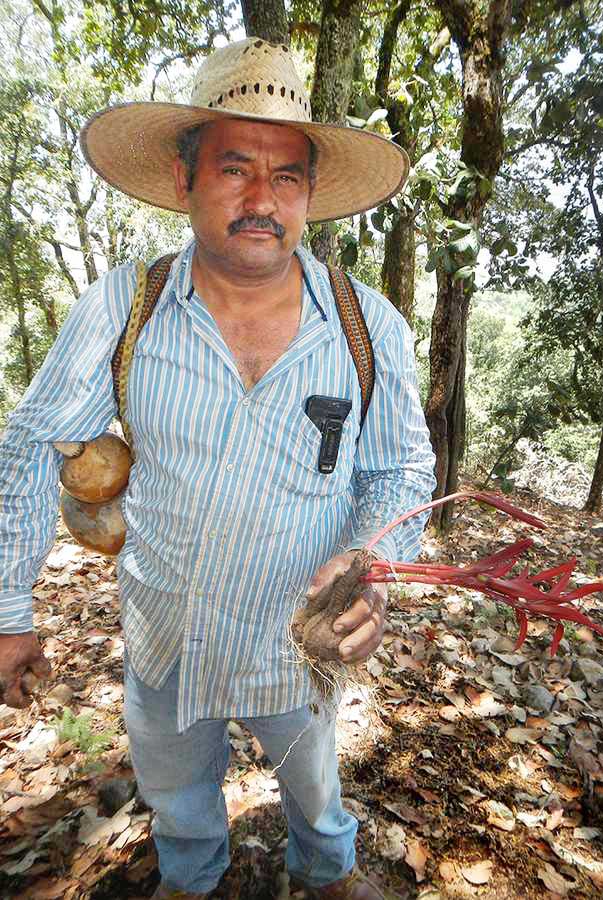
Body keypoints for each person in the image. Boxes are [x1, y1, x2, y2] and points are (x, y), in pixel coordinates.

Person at [0, 37, 436, 900]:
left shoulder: (366, 326)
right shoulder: (127, 308)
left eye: (286, 178)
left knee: (314, 787)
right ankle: (190, 879)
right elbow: (29, 446)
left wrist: (371, 569)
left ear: (310, 196)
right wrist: (10, 609)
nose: (260, 201)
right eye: (234, 170)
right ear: (183, 180)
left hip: (296, 638)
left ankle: (325, 869)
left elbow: (401, 472)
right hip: (168, 630)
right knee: (176, 794)